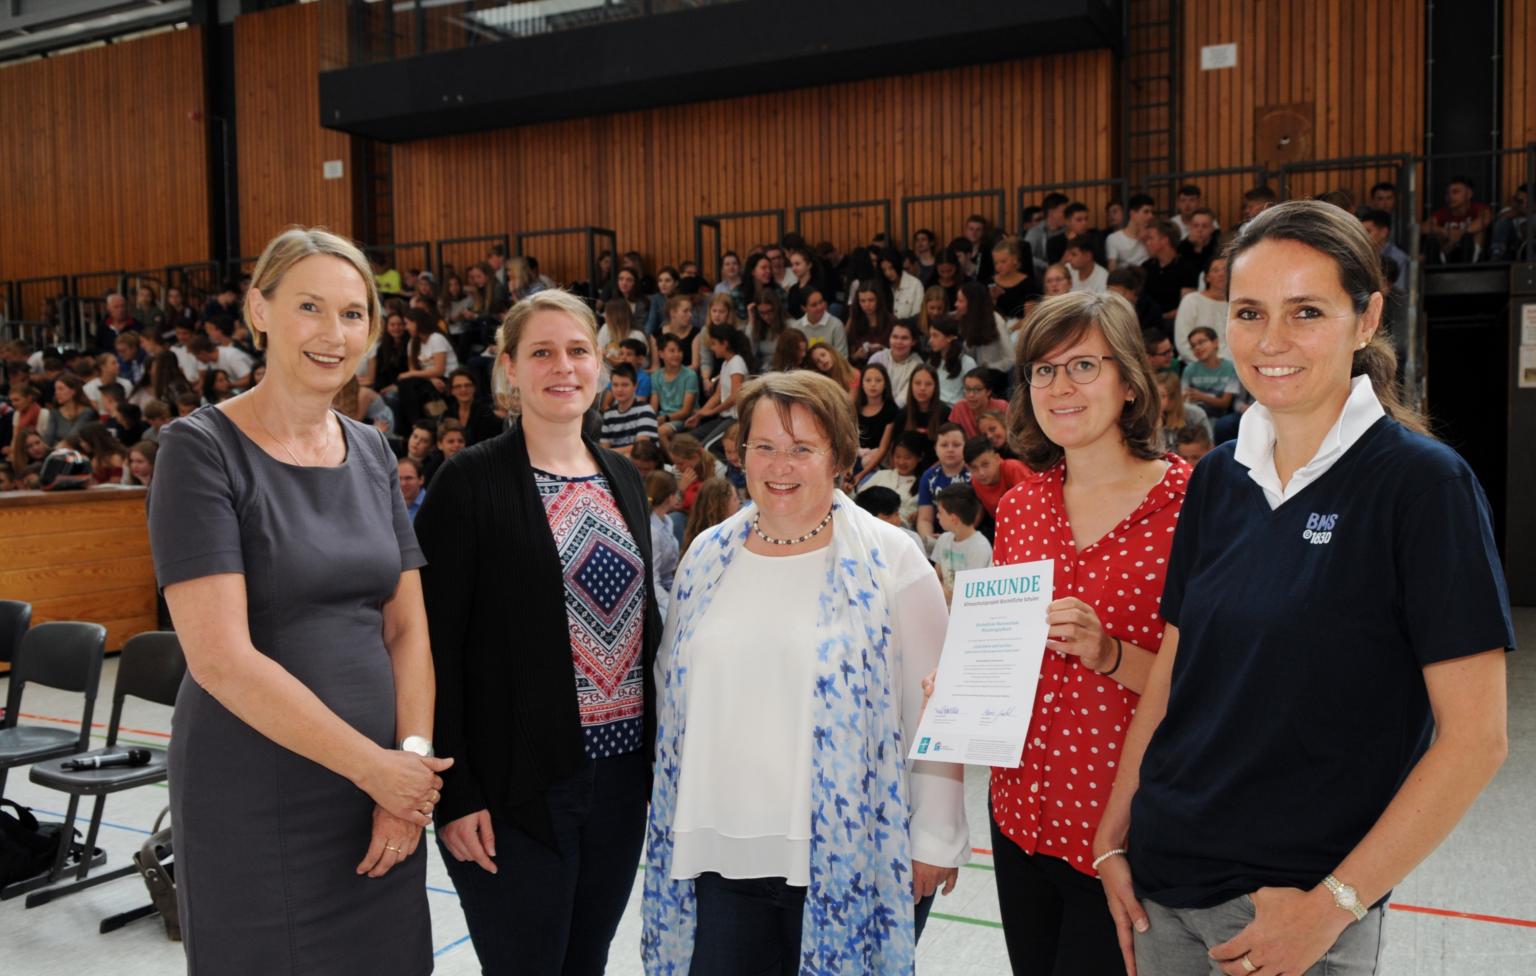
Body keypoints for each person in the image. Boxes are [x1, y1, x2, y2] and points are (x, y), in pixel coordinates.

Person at [1096, 200, 1513, 976]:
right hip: (1159, 891)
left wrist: (1334, 908)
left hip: (1288, 918)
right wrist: (1114, 834)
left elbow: (1476, 740)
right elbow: (1175, 678)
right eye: (1250, 312)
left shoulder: (1423, 487)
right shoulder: (1219, 475)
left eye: (1307, 311)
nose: (1272, 341)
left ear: (1367, 318)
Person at [147, 228, 449, 974]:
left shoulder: (374, 448)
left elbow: (407, 627)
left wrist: (404, 772)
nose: (332, 333)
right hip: (258, 793)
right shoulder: (199, 449)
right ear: (259, 310)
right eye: (310, 306)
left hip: (379, 793)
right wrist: (375, 769)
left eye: (353, 315)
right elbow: (220, 659)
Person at [642, 371, 968, 974]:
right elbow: (671, 688)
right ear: (740, 454)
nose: (779, 465)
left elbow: (937, 709)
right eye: (763, 446)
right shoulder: (707, 556)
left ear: (840, 456)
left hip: (847, 856)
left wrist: (935, 838)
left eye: (801, 448)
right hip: (720, 855)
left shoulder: (893, 560)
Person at [414, 289, 662, 975]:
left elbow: (646, 630)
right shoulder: (467, 482)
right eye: (542, 352)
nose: (564, 367)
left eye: (578, 351)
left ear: (604, 365)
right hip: (513, 787)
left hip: (617, 782)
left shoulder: (623, 478)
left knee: (585, 962)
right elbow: (433, 649)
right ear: (510, 368)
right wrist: (455, 792)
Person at [957, 288, 1191, 976]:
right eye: (1043, 370)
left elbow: (1212, 682)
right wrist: (964, 683)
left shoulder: (1189, 506)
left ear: (1127, 383)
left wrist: (1111, 654)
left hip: (1121, 835)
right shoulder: (1024, 505)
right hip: (1019, 819)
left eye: (1084, 366)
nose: (1061, 386)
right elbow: (1003, 648)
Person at [684, 324, 751, 448]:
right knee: (689, 439)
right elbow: (717, 395)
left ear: (724, 343)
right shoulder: (726, 364)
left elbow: (735, 396)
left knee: (707, 447)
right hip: (724, 418)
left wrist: (712, 412)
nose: (712, 347)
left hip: (734, 419)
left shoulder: (737, 362)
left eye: (714, 343)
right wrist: (699, 415)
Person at [929, 483, 991, 603]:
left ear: (953, 519)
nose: (937, 516)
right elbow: (936, 576)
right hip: (942, 604)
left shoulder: (980, 548)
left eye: (940, 512)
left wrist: (940, 591)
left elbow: (971, 594)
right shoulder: (944, 539)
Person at [857, 429, 929, 526]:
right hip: (869, 525)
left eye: (907, 458)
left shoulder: (923, 484)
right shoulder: (881, 475)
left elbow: (908, 519)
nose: (901, 462)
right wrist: (849, 491)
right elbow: (859, 500)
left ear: (920, 457)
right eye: (897, 456)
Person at [916, 422, 971, 545]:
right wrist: (929, 539)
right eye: (944, 445)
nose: (950, 449)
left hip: (968, 535)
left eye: (956, 445)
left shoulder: (972, 476)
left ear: (965, 447)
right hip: (938, 535)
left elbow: (976, 515)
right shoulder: (928, 477)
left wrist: (954, 537)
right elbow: (925, 518)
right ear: (935, 449)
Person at [1172, 256, 1230, 363]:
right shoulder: (1191, 300)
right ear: (1207, 277)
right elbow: (1182, 341)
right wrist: (1206, 365)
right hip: (1196, 365)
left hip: (1230, 368)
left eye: (1225, 270)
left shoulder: (1236, 303)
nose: (1222, 274)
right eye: (1215, 270)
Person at [852, 362, 899, 483]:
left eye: (878, 380)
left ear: (885, 384)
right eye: (868, 380)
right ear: (862, 384)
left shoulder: (891, 409)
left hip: (876, 462)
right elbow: (849, 441)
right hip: (855, 457)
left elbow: (883, 449)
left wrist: (861, 475)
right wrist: (848, 469)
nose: (873, 384)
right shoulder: (855, 407)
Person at [600, 362, 660, 455]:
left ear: (635, 386)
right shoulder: (608, 415)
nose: (619, 389)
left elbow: (640, 449)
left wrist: (609, 453)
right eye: (615, 385)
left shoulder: (645, 410)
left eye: (624, 385)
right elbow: (604, 448)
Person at [1182, 326, 1241, 418]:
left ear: (1215, 343)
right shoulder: (1189, 369)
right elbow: (1183, 398)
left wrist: (1201, 396)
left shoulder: (1230, 367)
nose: (1197, 348)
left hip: (1221, 417)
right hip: (1194, 415)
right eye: (1193, 346)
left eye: (1201, 342)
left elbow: (1225, 403)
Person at [650, 333, 700, 441]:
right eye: (672, 351)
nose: (677, 355)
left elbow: (686, 411)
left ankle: (672, 458)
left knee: (661, 432)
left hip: (683, 419)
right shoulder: (655, 376)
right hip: (663, 418)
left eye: (679, 351)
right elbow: (653, 407)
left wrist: (664, 419)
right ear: (661, 354)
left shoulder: (690, 375)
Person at [645, 469, 681, 610]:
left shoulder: (667, 521)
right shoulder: (652, 531)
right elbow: (653, 581)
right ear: (670, 497)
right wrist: (671, 606)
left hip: (669, 586)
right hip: (657, 596)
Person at [1155, 370, 1213, 455]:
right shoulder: (1149, 417)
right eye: (1154, 395)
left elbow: (1209, 446)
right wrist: (1156, 427)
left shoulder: (1196, 414)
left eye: (1162, 396)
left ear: (1174, 397)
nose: (1156, 401)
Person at [868, 321, 922, 408]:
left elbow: (903, 400)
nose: (898, 342)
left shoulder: (917, 366)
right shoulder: (877, 359)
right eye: (895, 337)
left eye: (904, 338)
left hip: (900, 412)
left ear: (913, 341)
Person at [927, 316, 977, 405]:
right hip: (933, 406)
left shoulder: (967, 363)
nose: (930, 340)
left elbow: (971, 394)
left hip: (953, 409)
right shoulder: (931, 360)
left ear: (949, 337)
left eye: (935, 335)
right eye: (930, 335)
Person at [948, 367, 1010, 438]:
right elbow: (952, 436)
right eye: (967, 389)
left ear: (988, 391)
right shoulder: (959, 407)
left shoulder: (1002, 406)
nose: (971, 395)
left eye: (977, 390)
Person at [38, 373, 97, 447]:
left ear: (73, 392)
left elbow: (73, 436)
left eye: (61, 389)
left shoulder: (87, 412)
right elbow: (48, 438)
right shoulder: (55, 413)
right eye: (55, 389)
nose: (56, 392)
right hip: (57, 452)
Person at [791, 288, 848, 358]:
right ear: (803, 308)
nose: (820, 307)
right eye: (814, 305)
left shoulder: (836, 325)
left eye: (821, 302)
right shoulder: (796, 328)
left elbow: (842, 357)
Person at [900, 364, 950, 441]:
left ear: (935, 387)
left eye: (928, 384)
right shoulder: (903, 413)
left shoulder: (946, 412)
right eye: (917, 383)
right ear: (911, 385)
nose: (922, 388)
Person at [1106, 194, 1154, 269]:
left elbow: (1156, 262)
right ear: (1133, 214)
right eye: (1146, 212)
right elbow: (1112, 269)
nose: (1151, 216)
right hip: (1126, 279)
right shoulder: (1114, 238)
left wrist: (1146, 240)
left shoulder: (1151, 235)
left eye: (1151, 212)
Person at [398, 456, 426, 522]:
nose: (403, 484)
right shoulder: (389, 506)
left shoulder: (432, 505)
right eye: (398, 479)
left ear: (421, 479)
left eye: (408, 478)